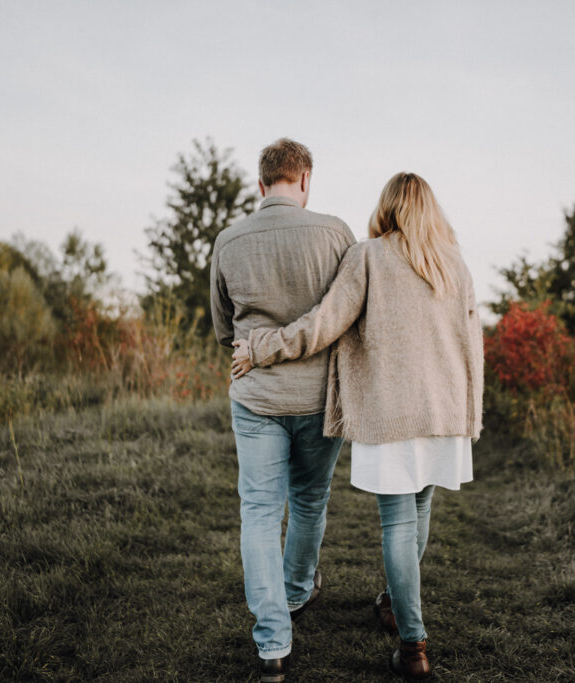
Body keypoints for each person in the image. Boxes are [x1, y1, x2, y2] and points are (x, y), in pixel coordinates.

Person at [232, 172, 484, 680]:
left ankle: (413, 643)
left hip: (390, 414)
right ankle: (394, 603)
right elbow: (473, 345)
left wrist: (262, 346)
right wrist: (471, 414)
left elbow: (325, 323)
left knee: (398, 522)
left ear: (387, 207)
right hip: (444, 412)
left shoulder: (368, 256)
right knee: (421, 508)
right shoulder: (453, 263)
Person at [210, 138, 356, 682]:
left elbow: (224, 327)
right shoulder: (337, 233)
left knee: (259, 511)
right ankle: (296, 593)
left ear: (260, 183)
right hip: (320, 397)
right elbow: (345, 314)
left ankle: (272, 642)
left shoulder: (229, 240)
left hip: (257, 394)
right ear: (306, 178)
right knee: (310, 499)